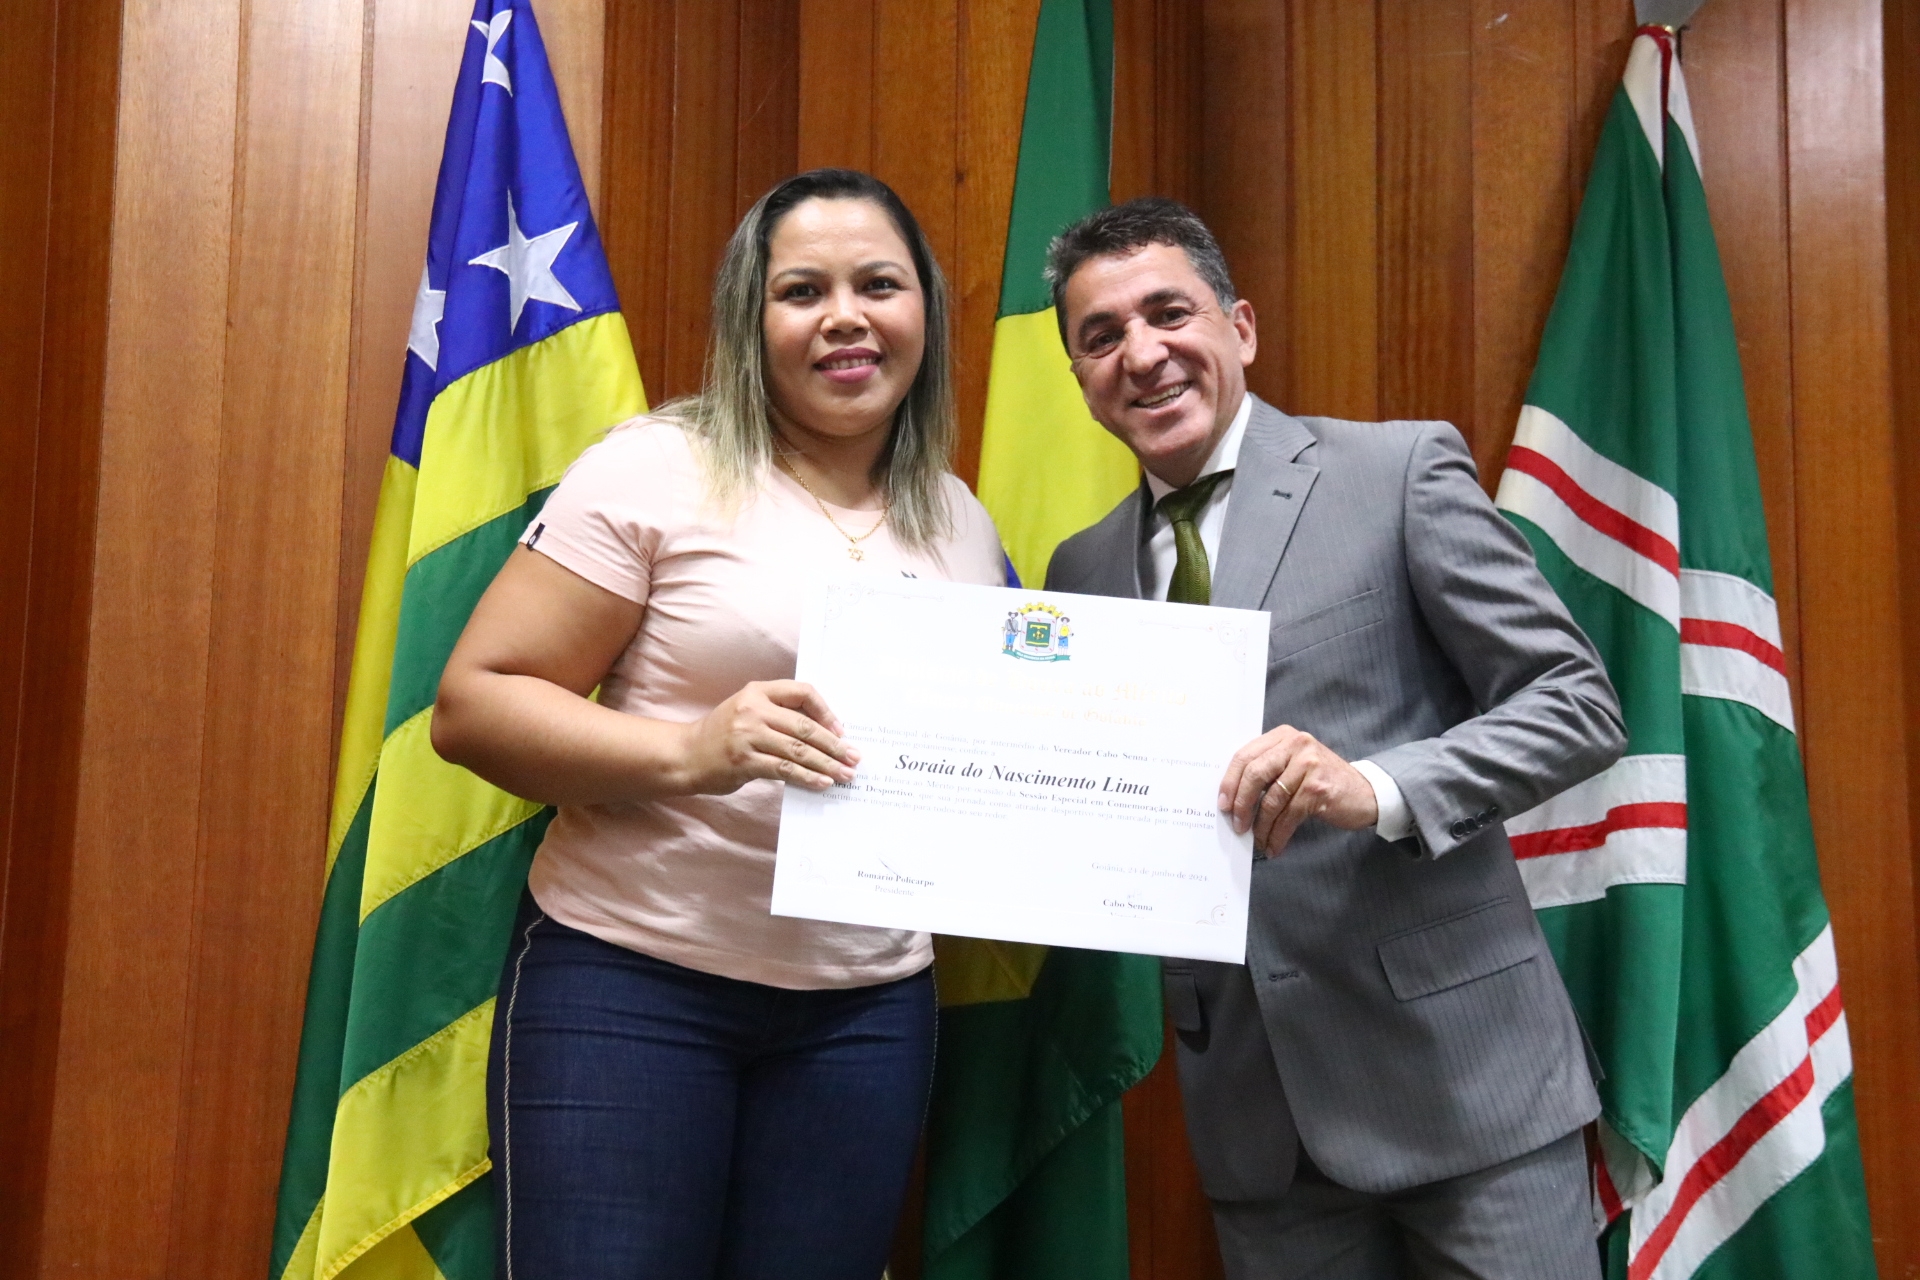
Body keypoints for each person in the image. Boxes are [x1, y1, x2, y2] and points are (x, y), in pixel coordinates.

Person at [431, 168, 1006, 1280]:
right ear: (754, 318)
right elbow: (475, 704)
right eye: (803, 291)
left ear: (925, 313)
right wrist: (694, 751)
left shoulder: (962, 523)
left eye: (878, 285)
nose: (844, 316)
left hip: (865, 1010)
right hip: (632, 981)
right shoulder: (657, 465)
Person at [1042, 197, 1625, 1278]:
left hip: (1468, 1083)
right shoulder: (1078, 572)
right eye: (1102, 335)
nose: (1142, 353)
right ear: (1080, 379)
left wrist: (1378, 787)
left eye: (1168, 312)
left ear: (1241, 327)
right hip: (1259, 1121)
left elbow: (1576, 701)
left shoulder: (1394, 472)